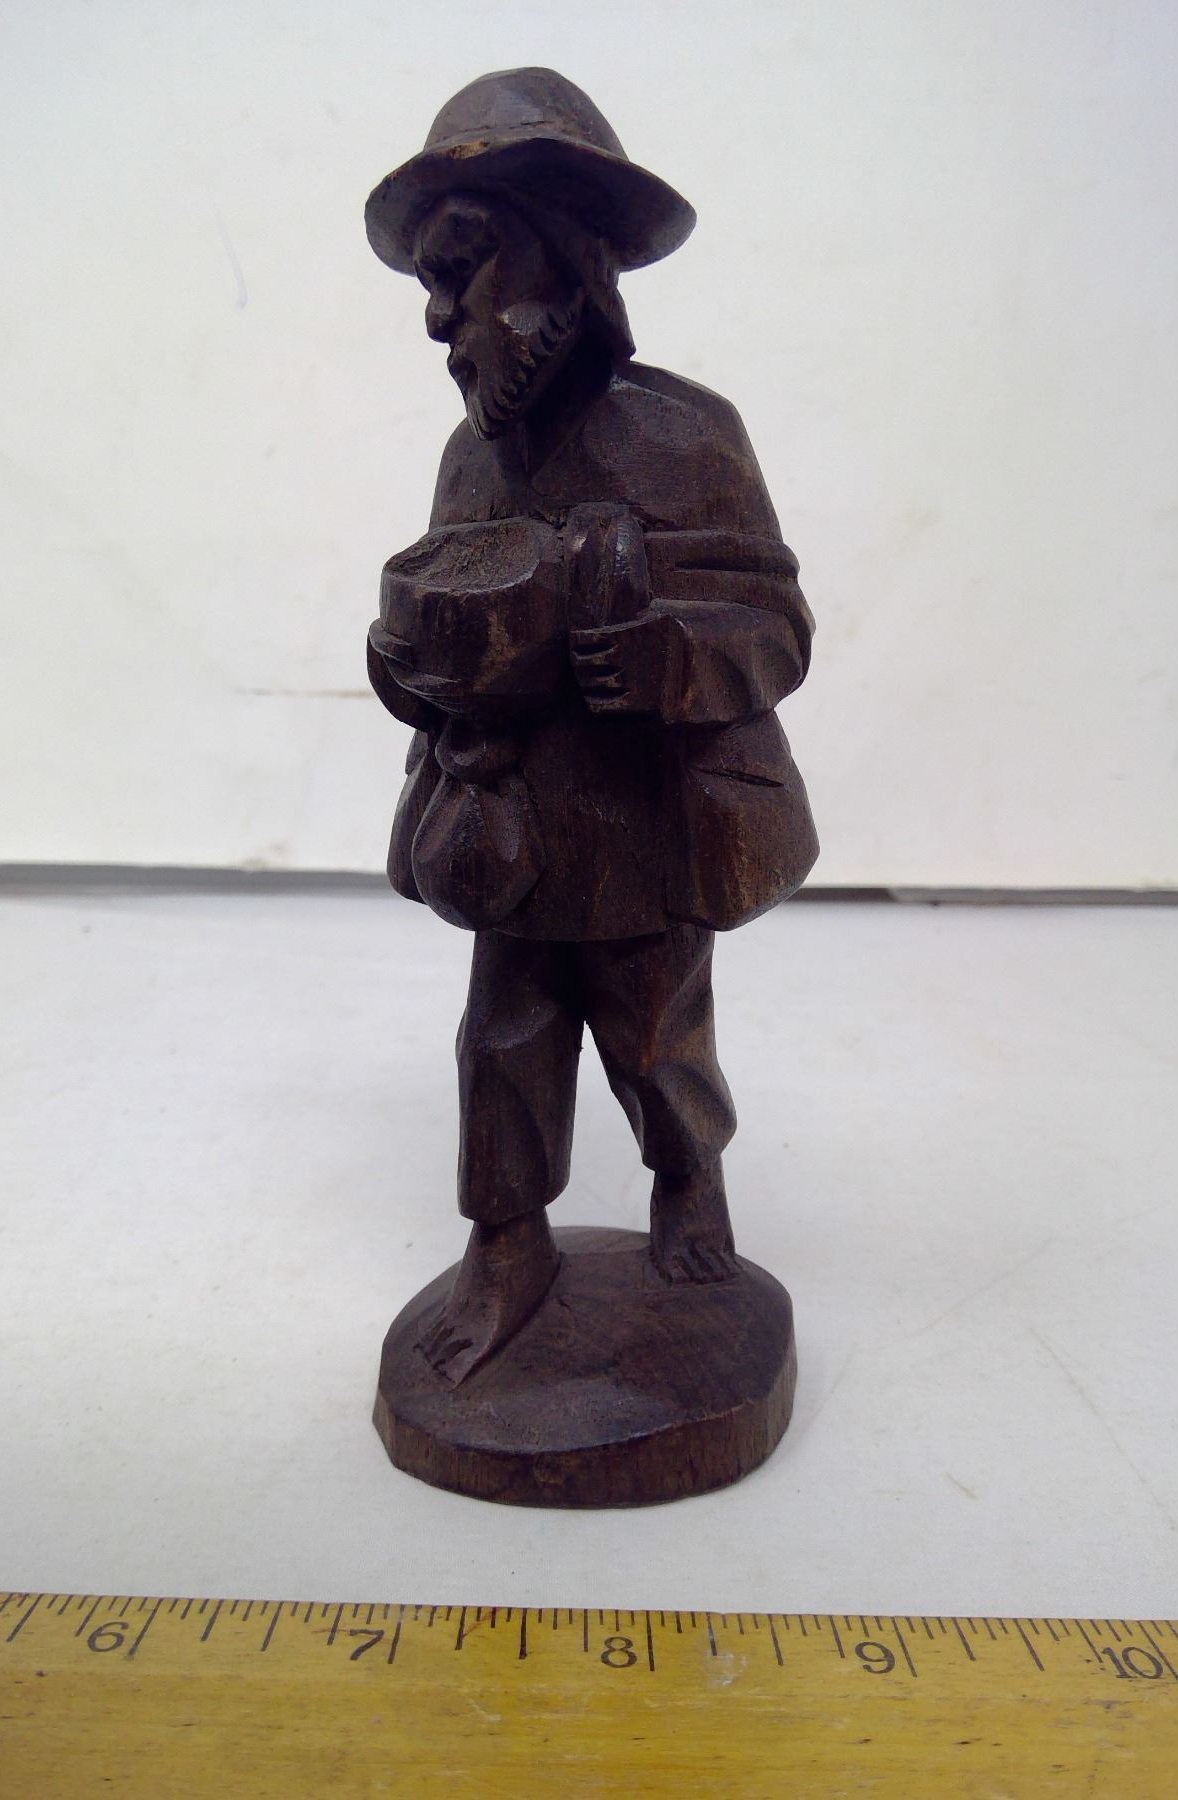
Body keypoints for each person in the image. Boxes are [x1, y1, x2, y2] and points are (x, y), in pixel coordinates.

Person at [366, 69, 818, 1385]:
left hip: (645, 817)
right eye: (430, 285)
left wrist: (666, 653)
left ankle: (688, 1180)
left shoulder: (683, 435)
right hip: (505, 818)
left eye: (464, 271)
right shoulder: (469, 463)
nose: (441, 320)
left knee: (656, 1036)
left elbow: (776, 622)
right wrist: (404, 663)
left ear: (564, 260)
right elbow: (438, 618)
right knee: (502, 1038)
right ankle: (506, 1241)